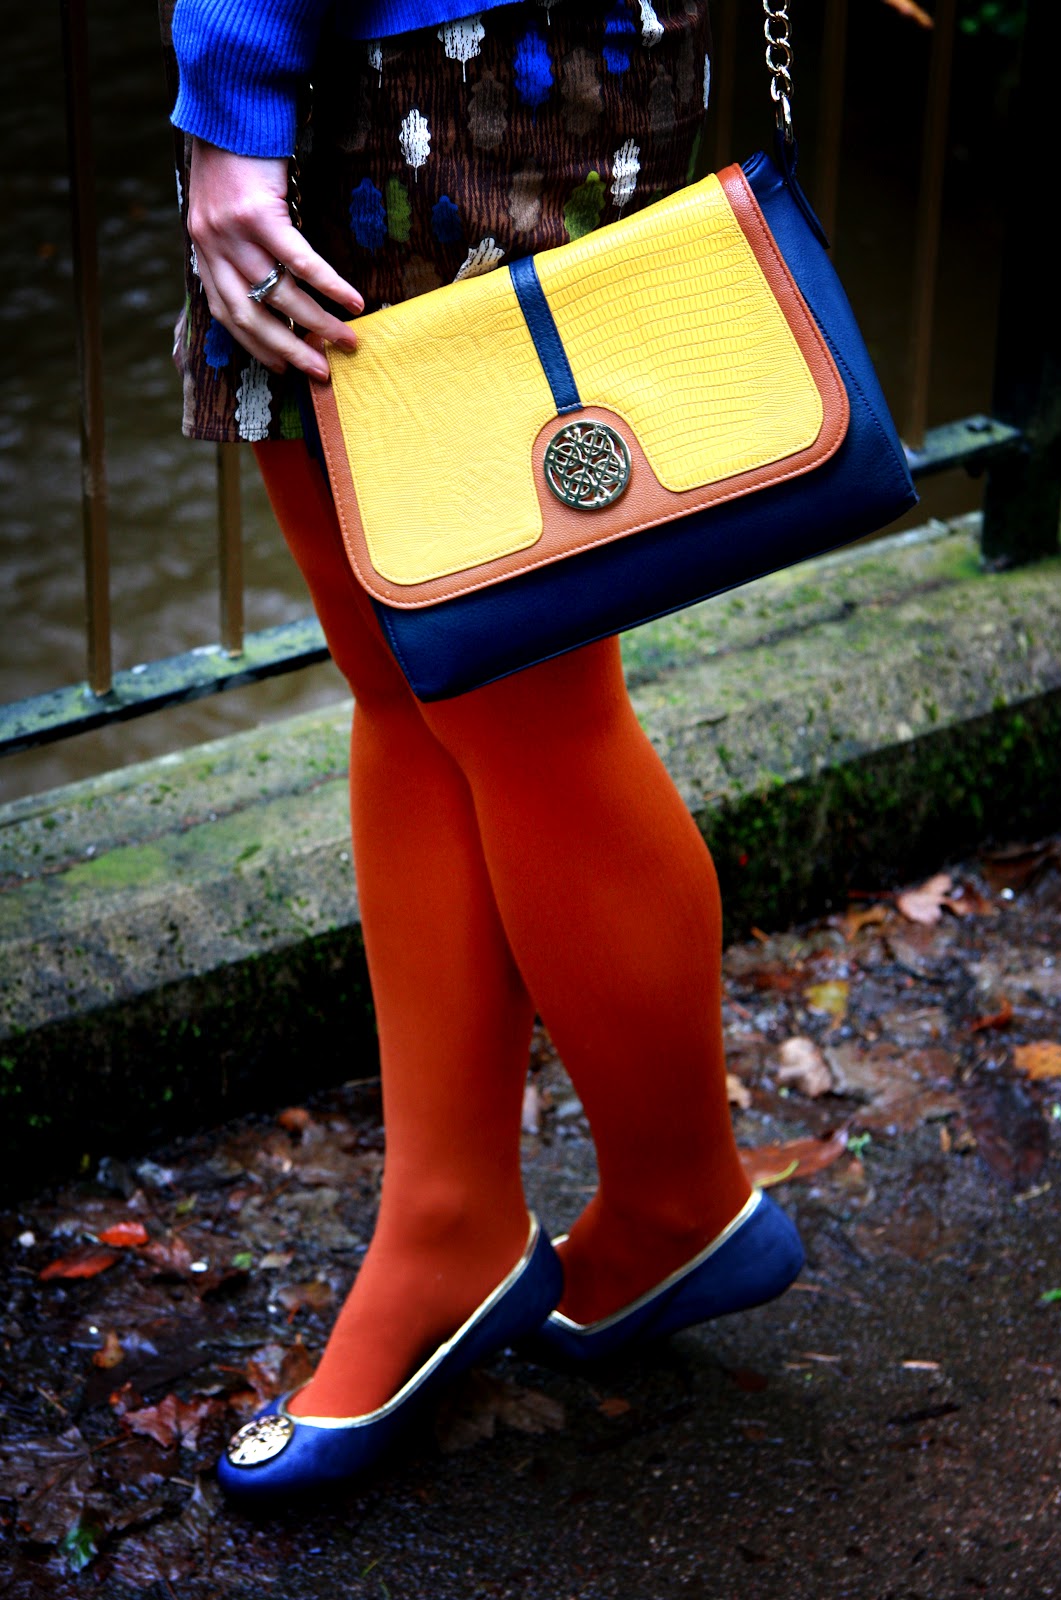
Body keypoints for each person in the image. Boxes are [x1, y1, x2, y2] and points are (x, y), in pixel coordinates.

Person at [166, 0, 803, 1498]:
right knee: (416, 689)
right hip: (465, 58)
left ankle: (677, 1203)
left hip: (428, 75)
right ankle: (452, 1221)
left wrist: (235, 83)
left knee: (525, 711)